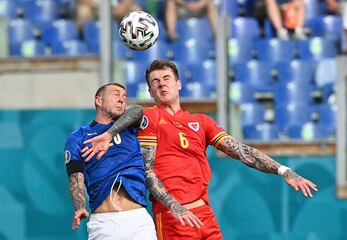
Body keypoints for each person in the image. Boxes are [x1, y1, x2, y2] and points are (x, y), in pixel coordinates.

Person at [82, 60, 318, 239]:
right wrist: (174, 207)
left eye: (166, 78)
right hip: (173, 215)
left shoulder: (202, 122)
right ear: (150, 92)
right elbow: (147, 168)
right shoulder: (151, 117)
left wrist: (284, 170)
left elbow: (241, 151)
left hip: (205, 214)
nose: (162, 84)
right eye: (155, 82)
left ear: (179, 84)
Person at [64, 83, 157, 239]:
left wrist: (108, 135)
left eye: (124, 96)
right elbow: (75, 177)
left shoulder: (129, 127)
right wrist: (79, 207)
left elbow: (138, 110)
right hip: (103, 223)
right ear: (99, 101)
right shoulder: (78, 137)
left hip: (138, 220)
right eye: (115, 94)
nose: (121, 100)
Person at [75, 0, 142, 29]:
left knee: (135, 11)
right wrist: (99, 7)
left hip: (115, 8)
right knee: (84, 12)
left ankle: (137, 45)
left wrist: (123, 8)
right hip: (94, 8)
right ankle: (85, 45)